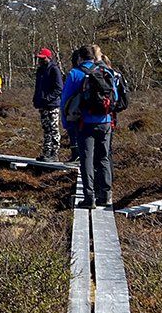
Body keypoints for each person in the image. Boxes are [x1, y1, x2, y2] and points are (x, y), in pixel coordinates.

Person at [60, 43, 118, 208]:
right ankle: (105, 196)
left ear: (80, 57)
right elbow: (114, 96)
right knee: (104, 157)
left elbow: (65, 100)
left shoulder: (74, 74)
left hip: (84, 123)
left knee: (86, 159)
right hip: (105, 121)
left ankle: (89, 198)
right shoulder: (106, 71)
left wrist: (66, 123)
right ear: (94, 57)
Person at [32, 47, 63, 162]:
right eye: (39, 58)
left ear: (48, 57)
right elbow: (38, 86)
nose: (40, 60)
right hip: (42, 105)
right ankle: (46, 152)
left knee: (54, 128)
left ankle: (54, 154)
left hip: (53, 105)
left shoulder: (54, 69)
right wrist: (36, 99)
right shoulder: (40, 70)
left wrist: (48, 98)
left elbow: (59, 88)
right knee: (46, 129)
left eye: (42, 58)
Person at [63, 47, 83, 162]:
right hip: (98, 115)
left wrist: (64, 116)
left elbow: (66, 97)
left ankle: (76, 155)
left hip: (75, 111)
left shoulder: (74, 74)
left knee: (74, 133)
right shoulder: (98, 71)